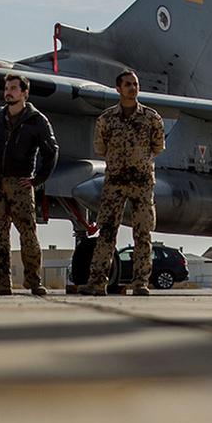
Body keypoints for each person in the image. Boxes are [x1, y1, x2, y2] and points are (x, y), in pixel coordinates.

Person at [0, 73, 57, 296]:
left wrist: (37, 179)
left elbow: (51, 152)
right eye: (6, 88)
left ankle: (34, 281)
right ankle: (0, 283)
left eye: (13, 88)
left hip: (20, 185)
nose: (8, 92)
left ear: (24, 93)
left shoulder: (37, 120)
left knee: (27, 234)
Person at [85, 70, 165, 296]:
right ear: (118, 88)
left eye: (136, 84)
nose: (133, 88)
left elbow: (158, 148)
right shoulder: (107, 119)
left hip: (142, 183)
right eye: (128, 84)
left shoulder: (151, 118)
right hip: (114, 183)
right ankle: (97, 282)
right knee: (107, 232)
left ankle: (141, 283)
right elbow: (100, 148)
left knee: (143, 234)